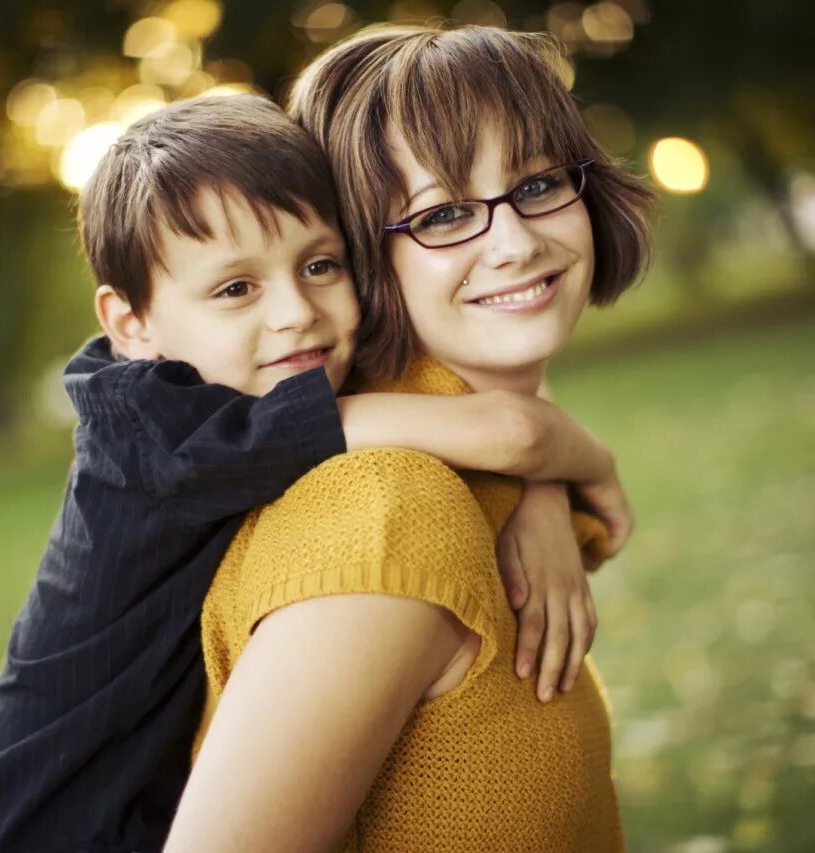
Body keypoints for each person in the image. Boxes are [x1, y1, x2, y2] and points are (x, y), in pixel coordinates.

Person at [0, 95, 632, 853]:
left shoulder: (225, 376)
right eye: (236, 288)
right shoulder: (164, 434)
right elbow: (506, 428)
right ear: (130, 324)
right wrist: (578, 464)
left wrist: (535, 494)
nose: (296, 313)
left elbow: (492, 391)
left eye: (320, 264)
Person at [166, 24, 656, 852]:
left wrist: (541, 469)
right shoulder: (387, 518)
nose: (515, 241)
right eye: (444, 214)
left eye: (539, 184)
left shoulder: (475, 464)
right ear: (355, 256)